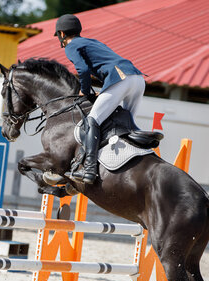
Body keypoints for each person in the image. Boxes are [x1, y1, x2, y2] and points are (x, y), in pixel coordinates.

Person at [54, 14, 146, 184]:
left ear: (61, 33)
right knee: (127, 122)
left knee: (92, 121)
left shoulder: (71, 46)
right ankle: (140, 151)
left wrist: (85, 91)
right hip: (138, 78)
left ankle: (89, 169)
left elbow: (82, 70)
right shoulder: (92, 42)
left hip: (120, 79)